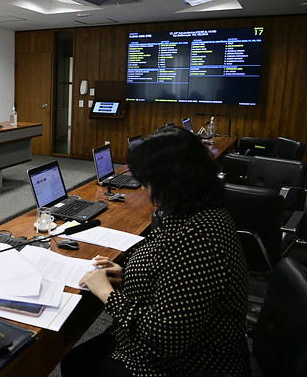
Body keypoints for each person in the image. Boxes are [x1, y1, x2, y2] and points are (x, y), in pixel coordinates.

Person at [61, 127, 250, 376]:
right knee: (75, 361)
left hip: (188, 363)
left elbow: (165, 339)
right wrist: (127, 275)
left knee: (77, 365)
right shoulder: (192, 213)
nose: (146, 190)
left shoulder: (200, 238)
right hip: (162, 345)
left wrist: (107, 293)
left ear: (171, 183)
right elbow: (170, 273)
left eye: (149, 183)